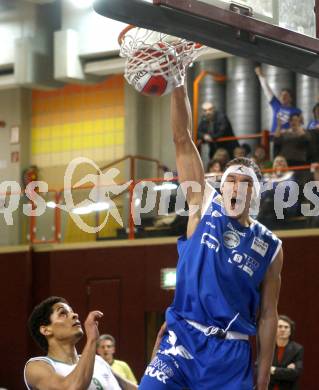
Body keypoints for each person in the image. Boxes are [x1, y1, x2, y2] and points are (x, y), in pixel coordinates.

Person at [139, 84, 283, 390]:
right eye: (231, 180)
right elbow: (182, 139)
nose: (236, 186)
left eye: (246, 183)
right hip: (182, 338)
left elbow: (269, 314)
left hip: (230, 354)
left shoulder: (270, 246)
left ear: (254, 194)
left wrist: (264, 372)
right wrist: (178, 82)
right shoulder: (204, 204)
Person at [24, 296, 138, 390]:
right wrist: (92, 340)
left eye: (72, 312)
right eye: (63, 313)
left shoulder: (98, 361)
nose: (75, 315)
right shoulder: (36, 367)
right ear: (46, 330)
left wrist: (156, 356)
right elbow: (70, 388)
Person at [255, 66, 302, 133]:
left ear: (291, 98)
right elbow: (267, 89)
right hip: (275, 138)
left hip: (288, 139)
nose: (283, 97)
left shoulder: (296, 111)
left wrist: (286, 131)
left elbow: (298, 127)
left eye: (285, 95)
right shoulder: (276, 105)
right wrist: (260, 75)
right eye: (281, 95)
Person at [197, 101, 238, 166]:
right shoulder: (204, 119)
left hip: (228, 148)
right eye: (205, 111)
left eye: (210, 109)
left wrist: (210, 137)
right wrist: (204, 136)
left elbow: (222, 132)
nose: (207, 112)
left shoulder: (221, 117)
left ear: (214, 109)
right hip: (214, 149)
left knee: (229, 167)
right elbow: (198, 132)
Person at [269, 315, 304, 390]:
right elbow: (258, 370)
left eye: (286, 327)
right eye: (280, 326)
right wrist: (286, 371)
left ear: (290, 330)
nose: (283, 329)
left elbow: (295, 373)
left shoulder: (297, 349)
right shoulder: (267, 348)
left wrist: (273, 370)